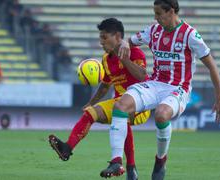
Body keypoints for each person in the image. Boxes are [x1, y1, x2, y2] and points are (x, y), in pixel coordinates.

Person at [100, 0, 220, 179]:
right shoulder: (153, 31)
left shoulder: (190, 35)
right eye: (154, 13)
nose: (155, 17)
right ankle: (116, 162)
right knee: (121, 106)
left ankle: (161, 160)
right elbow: (129, 41)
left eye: (159, 13)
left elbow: (211, 65)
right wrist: (125, 44)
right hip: (155, 84)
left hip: (178, 88)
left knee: (161, 114)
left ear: (171, 12)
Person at [48, 18, 150, 180]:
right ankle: (67, 148)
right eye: (100, 38)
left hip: (141, 104)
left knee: (122, 118)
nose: (101, 42)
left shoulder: (134, 52)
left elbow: (142, 75)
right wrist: (91, 103)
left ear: (117, 36)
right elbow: (105, 86)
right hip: (120, 103)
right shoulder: (105, 59)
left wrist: (124, 59)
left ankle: (126, 166)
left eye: (104, 37)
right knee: (90, 113)